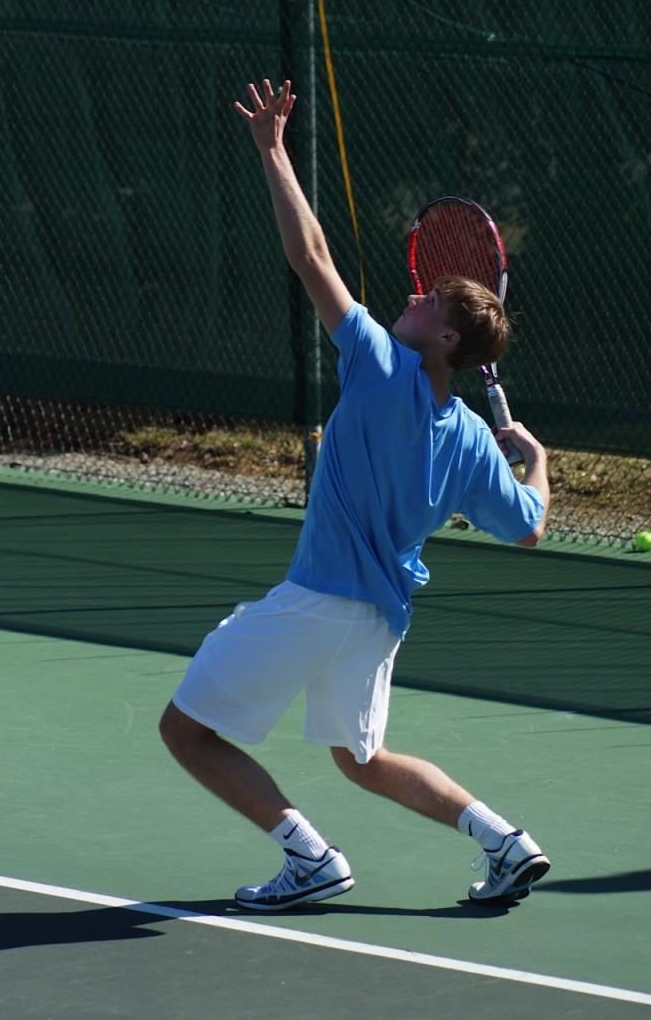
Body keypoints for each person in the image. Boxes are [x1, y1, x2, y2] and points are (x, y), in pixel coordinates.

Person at [159, 78, 551, 911]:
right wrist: (539, 462)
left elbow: (312, 259)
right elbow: (528, 529)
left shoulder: (379, 368)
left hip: (320, 601)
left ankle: (308, 859)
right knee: (359, 759)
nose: (411, 295)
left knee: (184, 732)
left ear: (444, 336)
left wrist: (270, 149)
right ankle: (506, 843)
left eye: (427, 299)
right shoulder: (478, 442)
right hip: (379, 618)